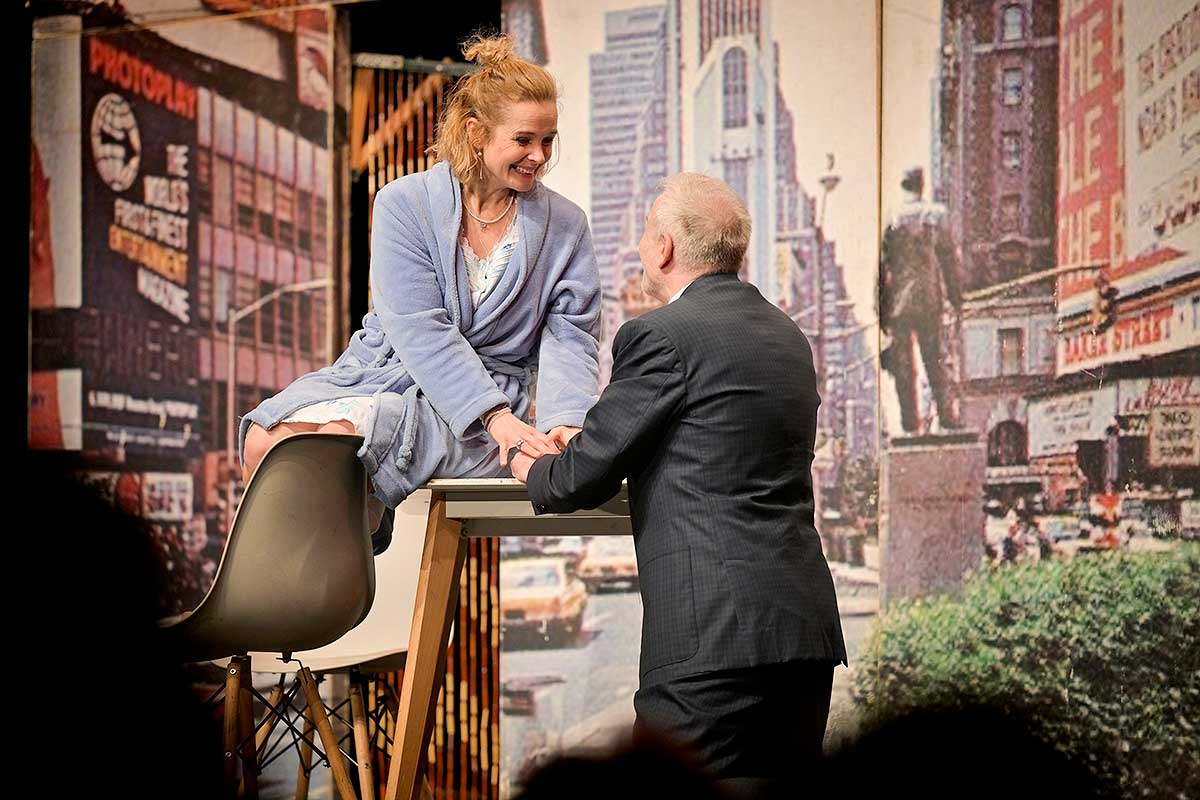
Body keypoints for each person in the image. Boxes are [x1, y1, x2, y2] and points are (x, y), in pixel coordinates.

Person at [511, 173, 846, 795]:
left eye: (646, 232)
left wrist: (524, 459)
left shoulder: (659, 336)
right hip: (803, 633)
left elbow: (580, 476)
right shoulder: (788, 337)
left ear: (663, 247)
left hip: (711, 641)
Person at [239, 34, 601, 550]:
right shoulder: (403, 204)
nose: (539, 155)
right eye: (524, 140)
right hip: (390, 372)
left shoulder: (565, 225)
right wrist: (493, 417)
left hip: (486, 403)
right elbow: (418, 327)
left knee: (329, 448)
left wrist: (564, 424)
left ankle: (334, 570)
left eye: (548, 140)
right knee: (265, 441)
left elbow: (571, 336)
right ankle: (300, 577)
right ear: (476, 133)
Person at [878, 166, 962, 433]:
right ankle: (946, 416)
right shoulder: (936, 215)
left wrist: (881, 311)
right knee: (935, 360)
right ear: (921, 185)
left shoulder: (891, 218)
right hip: (928, 299)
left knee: (903, 368)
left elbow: (882, 269)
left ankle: (909, 423)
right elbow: (949, 261)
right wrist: (956, 298)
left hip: (899, 304)